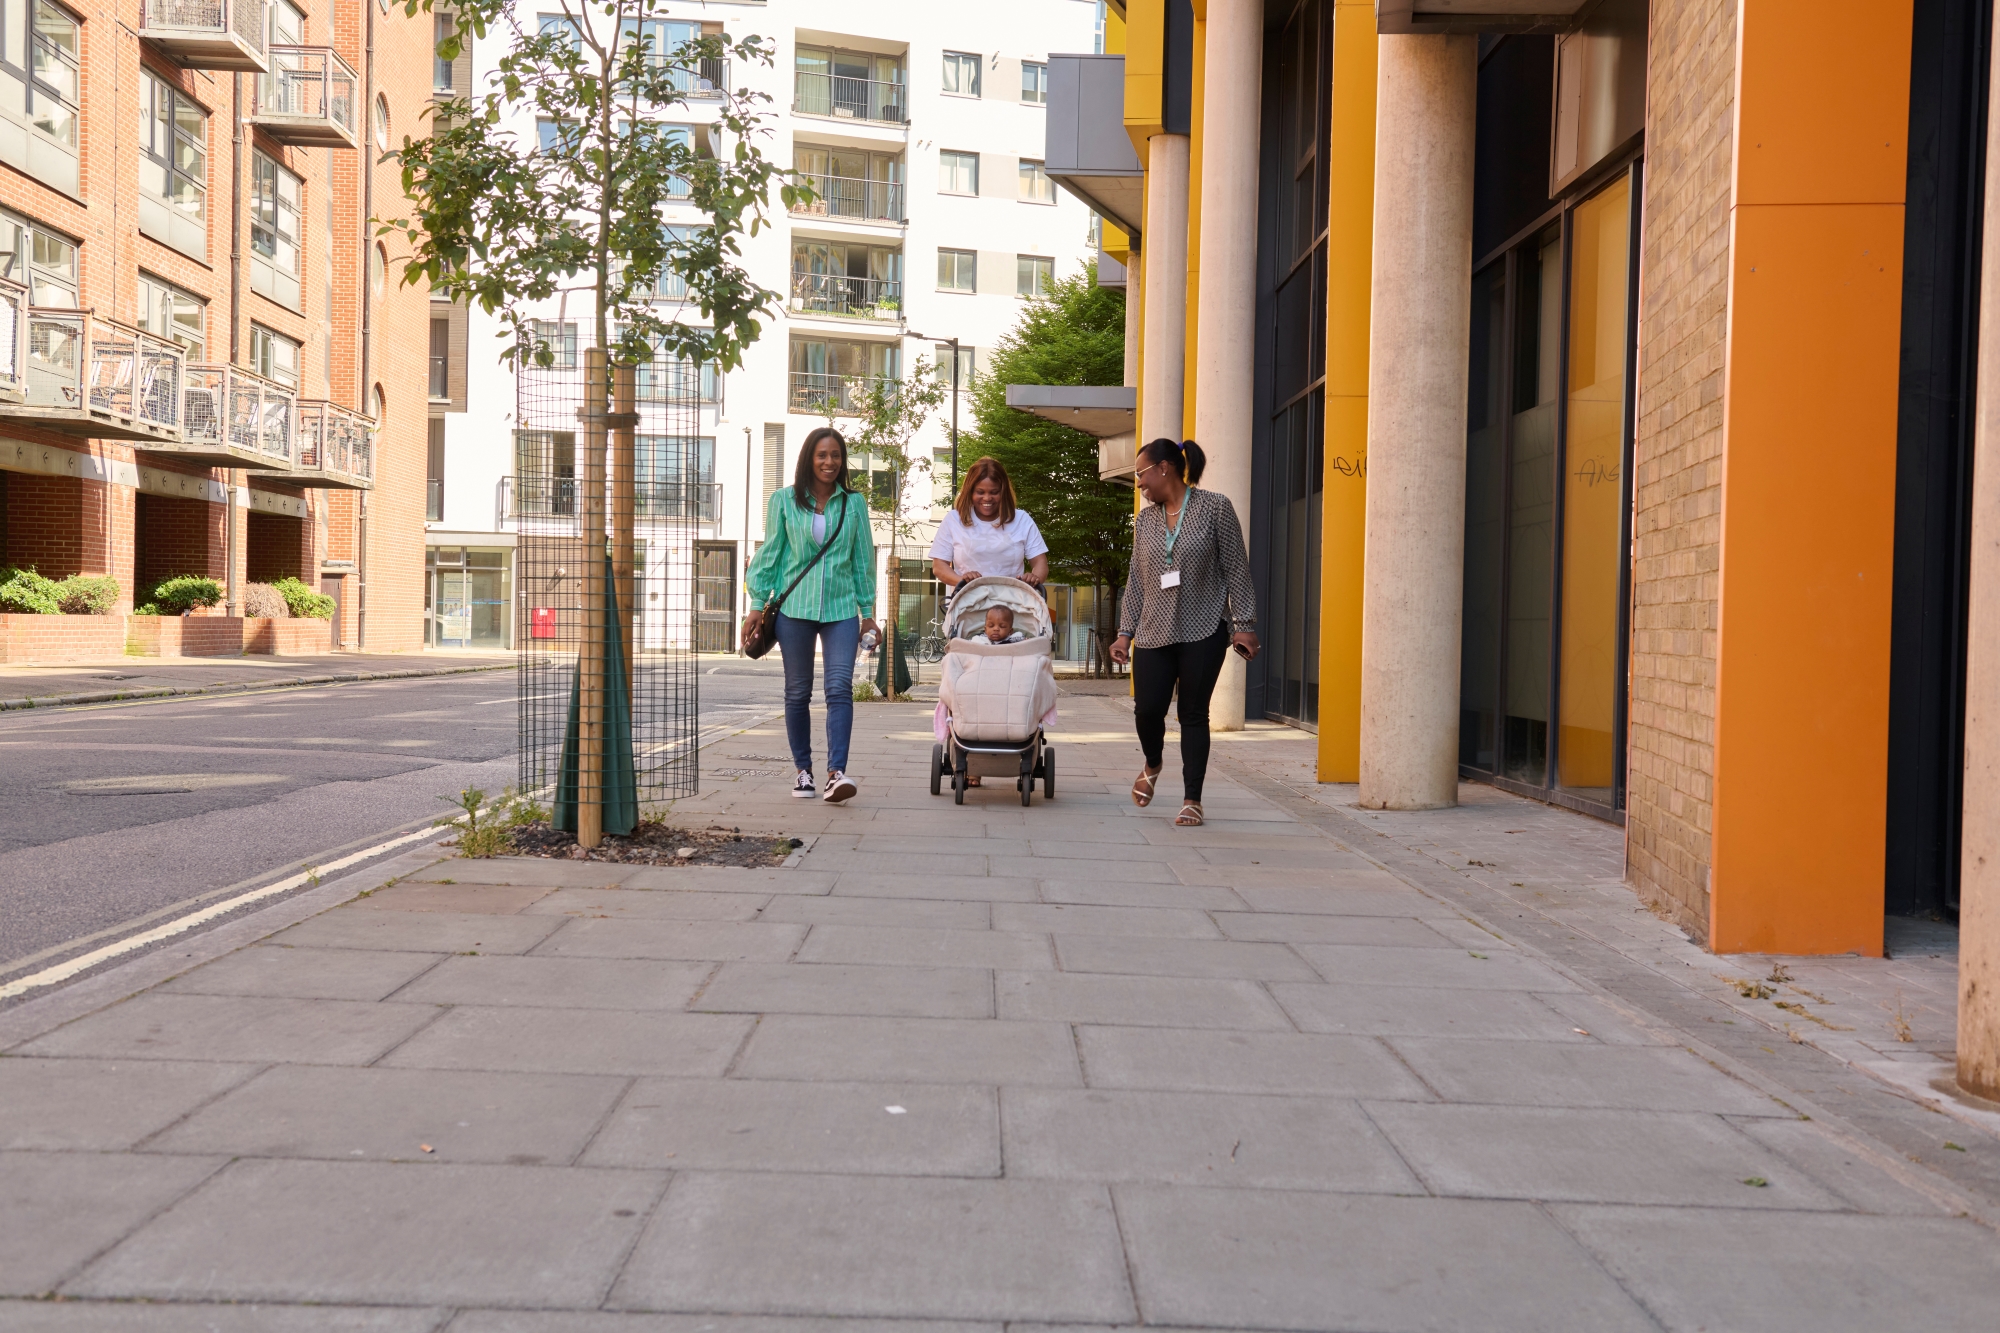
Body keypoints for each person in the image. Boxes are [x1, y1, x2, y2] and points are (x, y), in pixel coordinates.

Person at [1109, 438, 1260, 827]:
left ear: (1164, 468)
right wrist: (1125, 633)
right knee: (1147, 710)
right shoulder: (1145, 521)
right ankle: (1153, 762)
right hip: (1153, 632)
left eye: (1141, 474)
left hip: (1204, 628)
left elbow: (1236, 568)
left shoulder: (1215, 507)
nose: (1139, 483)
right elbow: (1137, 580)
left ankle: (1193, 799)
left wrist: (1244, 625)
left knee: (1193, 714)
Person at [743, 426, 879, 803]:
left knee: (839, 688)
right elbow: (771, 553)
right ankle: (803, 772)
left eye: (836, 455)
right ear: (809, 458)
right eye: (822, 455)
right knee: (798, 691)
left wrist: (868, 613)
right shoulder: (784, 501)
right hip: (794, 610)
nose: (829, 462)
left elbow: (862, 560)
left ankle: (837, 773)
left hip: (841, 610)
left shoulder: (854, 503)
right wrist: (756, 604)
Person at [930, 456, 1050, 593]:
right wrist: (963, 582)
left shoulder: (1022, 519)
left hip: (1012, 602)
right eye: (980, 492)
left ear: (1003, 492)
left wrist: (1033, 579)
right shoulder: (953, 519)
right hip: (967, 601)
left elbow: (1040, 563)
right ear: (970, 491)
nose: (987, 498)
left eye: (994, 492)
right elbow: (939, 566)